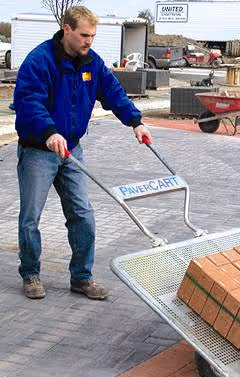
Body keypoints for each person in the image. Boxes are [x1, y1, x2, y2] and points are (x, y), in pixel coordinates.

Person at [14, 6, 152, 300]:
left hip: (72, 149)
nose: (89, 41)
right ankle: (30, 274)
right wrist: (49, 131)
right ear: (67, 29)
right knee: (30, 217)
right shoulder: (40, 60)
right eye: (84, 35)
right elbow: (28, 101)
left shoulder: (92, 63)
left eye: (92, 36)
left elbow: (113, 93)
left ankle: (82, 277)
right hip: (39, 150)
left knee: (83, 215)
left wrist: (136, 122)